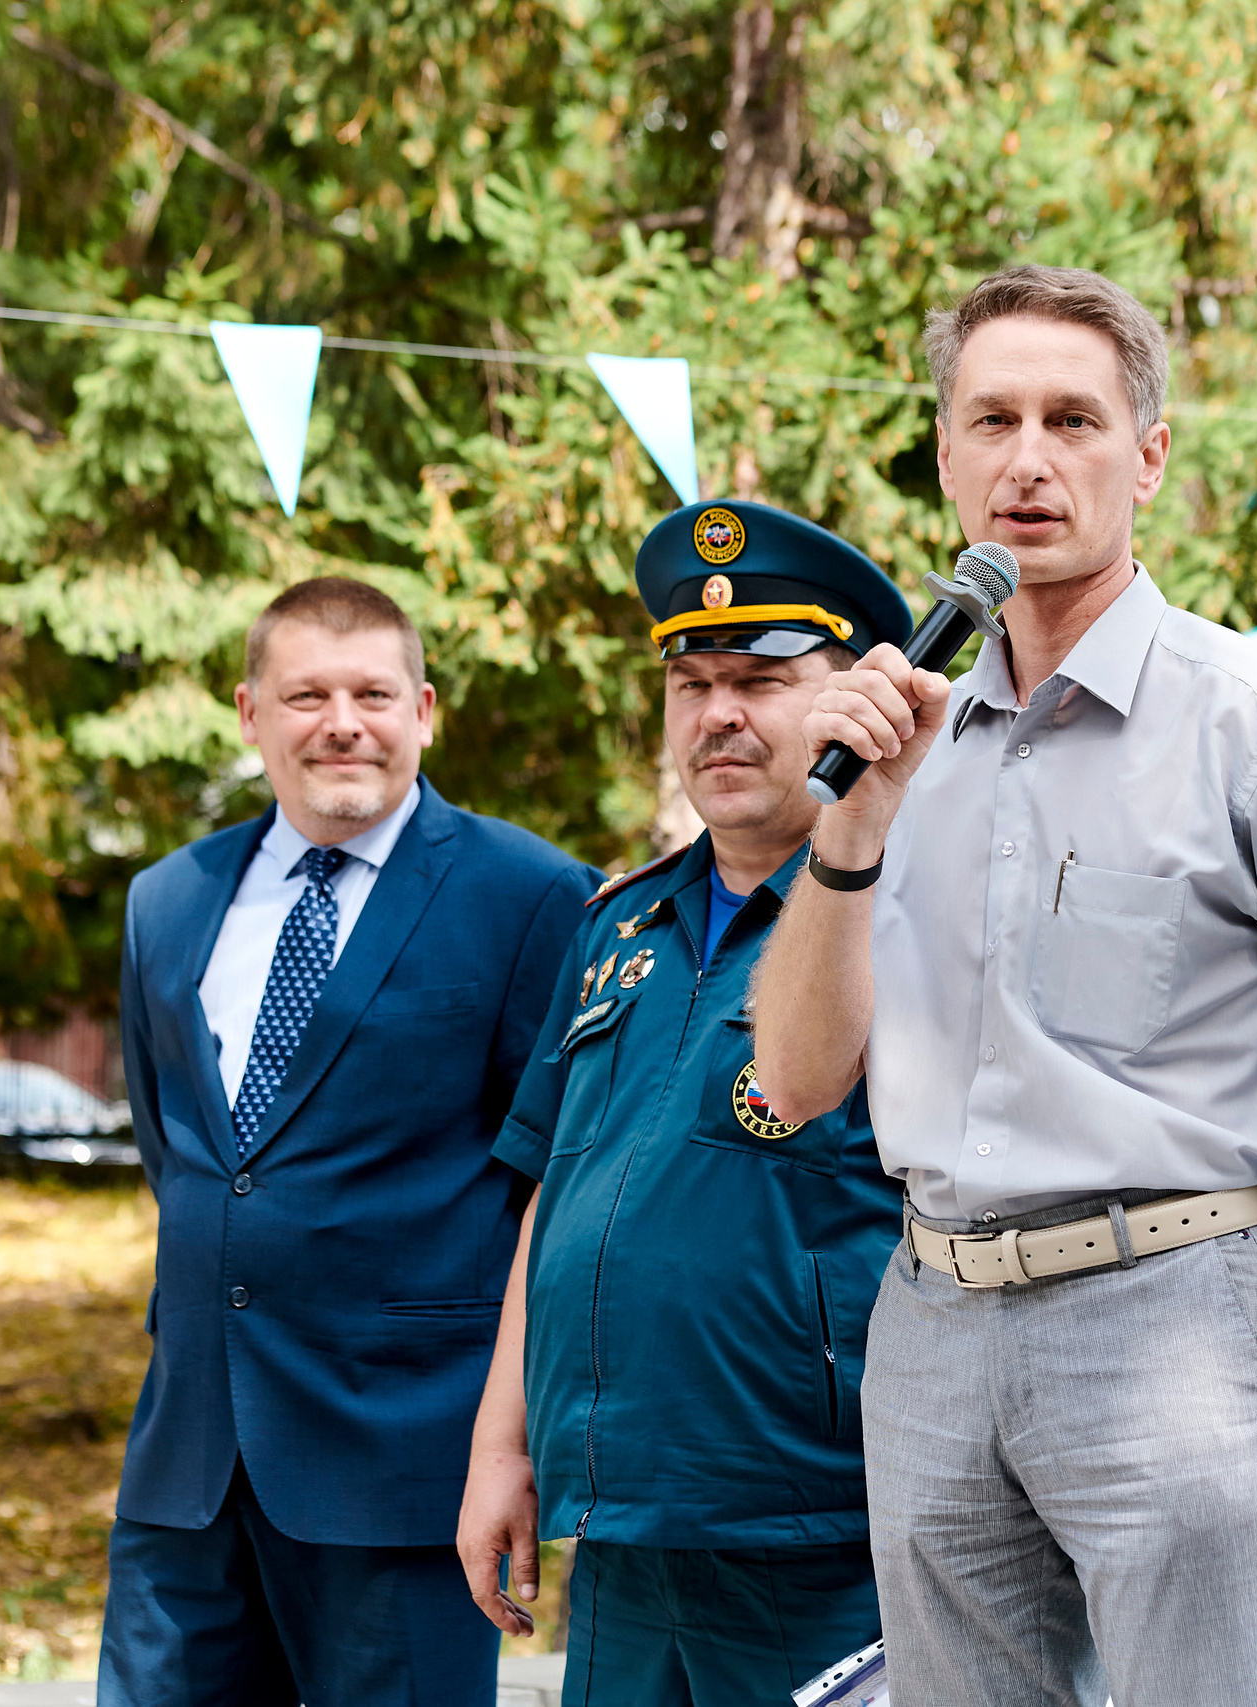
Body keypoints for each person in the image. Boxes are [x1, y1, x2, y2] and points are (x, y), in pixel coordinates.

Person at [750, 265, 1257, 1707]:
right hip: (933, 1326)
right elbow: (791, 1078)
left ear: (1147, 455)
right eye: (993, 420)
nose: (1030, 457)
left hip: (1186, 1317)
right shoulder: (900, 737)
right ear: (947, 455)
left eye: (1074, 419)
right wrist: (846, 834)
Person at [98, 577, 599, 1707]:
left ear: (423, 710)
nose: (341, 722)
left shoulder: (529, 896)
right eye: (305, 694)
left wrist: (513, 1449)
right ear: (249, 714)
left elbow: (554, 1187)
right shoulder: (166, 901)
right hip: (188, 1467)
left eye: (372, 693)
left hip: (406, 1463)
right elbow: (189, 1159)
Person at [456, 500, 912, 1707]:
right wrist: (502, 1446)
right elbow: (555, 1193)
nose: (717, 713)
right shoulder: (619, 924)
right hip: (621, 1525)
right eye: (690, 681)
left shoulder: (915, 919)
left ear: (855, 694)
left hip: (822, 1526)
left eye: (760, 679)